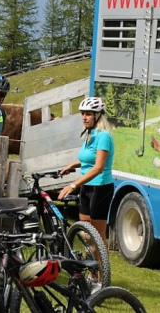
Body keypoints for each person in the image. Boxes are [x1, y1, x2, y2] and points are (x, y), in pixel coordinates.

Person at [57, 96, 115, 245]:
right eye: (82, 113)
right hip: (87, 186)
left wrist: (73, 185)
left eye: (88, 114)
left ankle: (102, 268)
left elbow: (98, 167)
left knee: (98, 236)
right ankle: (91, 267)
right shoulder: (89, 133)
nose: (84, 117)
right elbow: (88, 159)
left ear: (97, 115)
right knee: (86, 233)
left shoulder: (103, 137)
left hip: (100, 188)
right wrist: (72, 165)